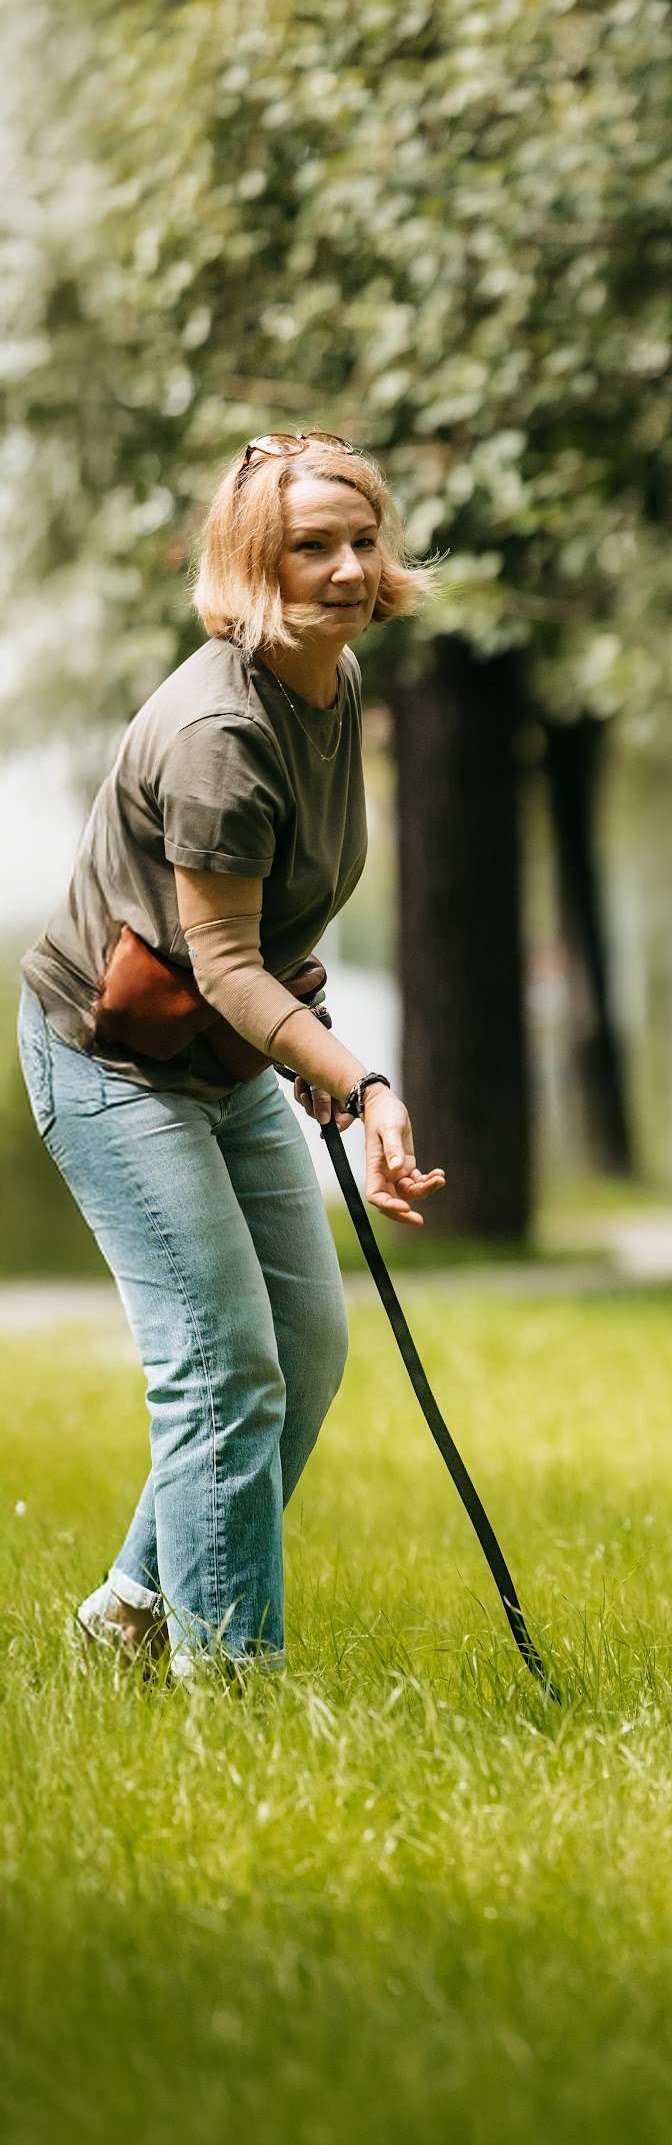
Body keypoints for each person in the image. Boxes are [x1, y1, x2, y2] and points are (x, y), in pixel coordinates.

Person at [16, 431, 445, 1680]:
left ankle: (131, 1611)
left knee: (300, 1352)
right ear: (254, 562)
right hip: (112, 1062)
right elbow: (222, 959)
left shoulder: (335, 680)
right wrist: (357, 1077)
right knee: (220, 1368)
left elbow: (266, 940)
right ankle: (232, 1682)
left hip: (218, 1050)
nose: (349, 569)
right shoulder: (219, 731)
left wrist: (303, 1046)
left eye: (362, 539)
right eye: (312, 546)